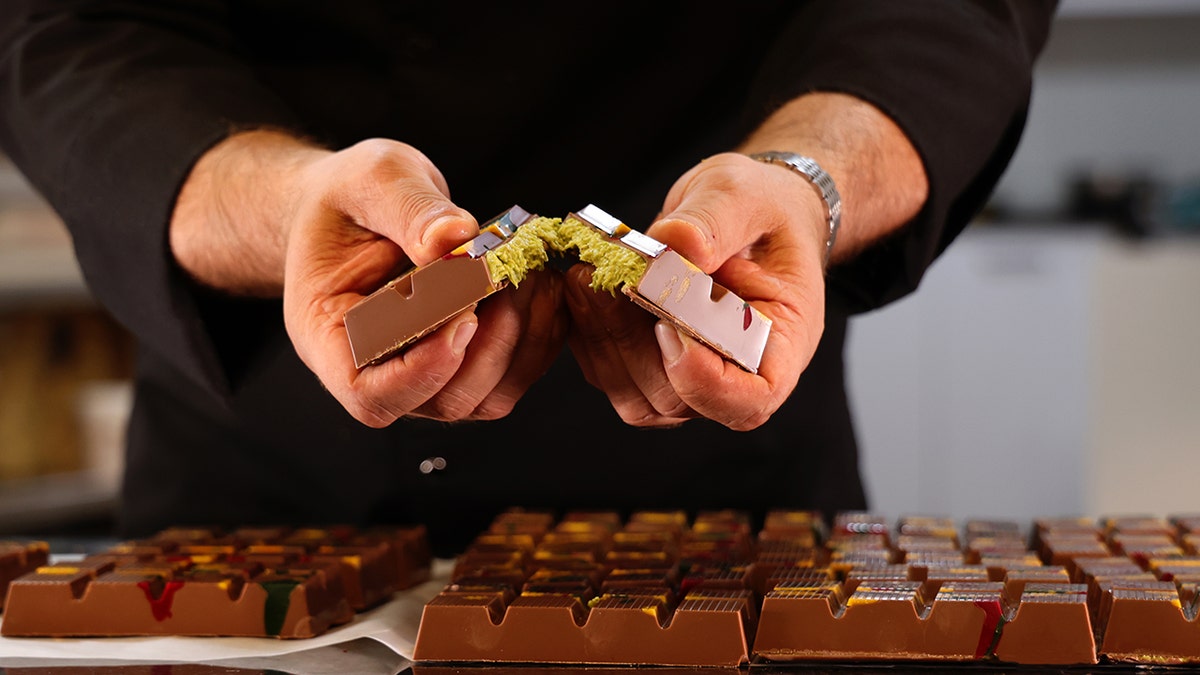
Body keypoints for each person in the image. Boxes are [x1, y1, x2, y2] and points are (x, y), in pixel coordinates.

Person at [0, 1, 1058, 556]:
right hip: (270, 474)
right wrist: (290, 207)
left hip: (720, 484)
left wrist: (807, 181)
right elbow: (74, 31)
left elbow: (945, 12)